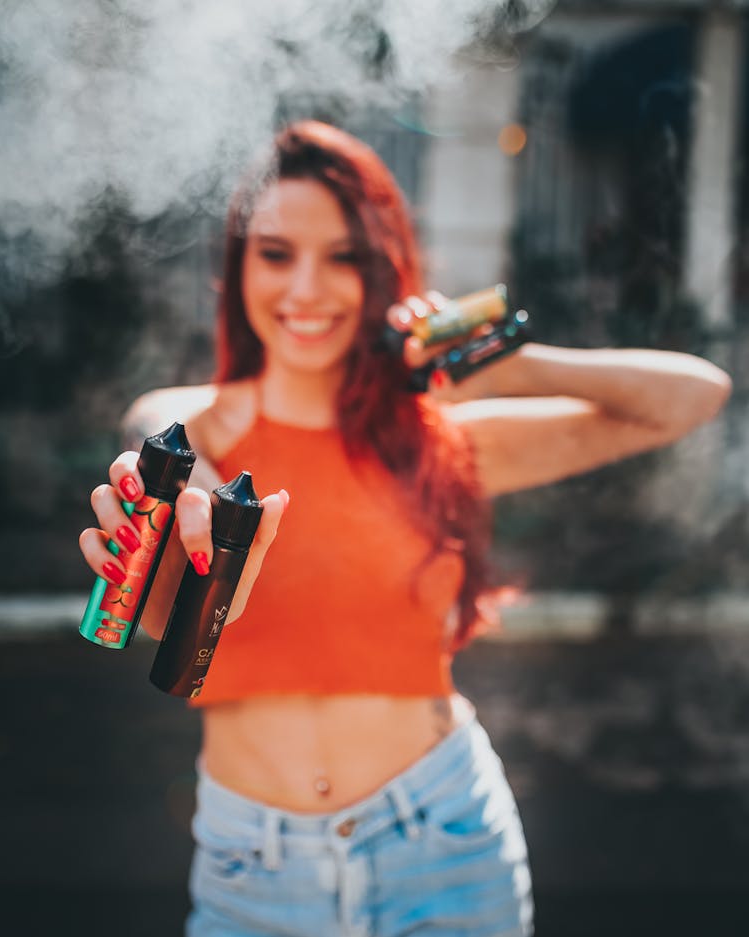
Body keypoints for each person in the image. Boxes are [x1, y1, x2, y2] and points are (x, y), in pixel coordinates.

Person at [78, 121, 731, 937]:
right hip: (255, 870)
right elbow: (174, 531)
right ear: (239, 265)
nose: (307, 288)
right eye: (277, 252)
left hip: (444, 845)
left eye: (343, 256)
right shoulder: (182, 424)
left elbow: (695, 395)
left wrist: (492, 353)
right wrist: (203, 557)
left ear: (380, 271)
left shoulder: (436, 440)